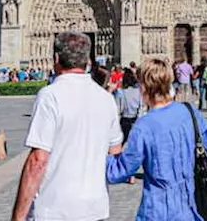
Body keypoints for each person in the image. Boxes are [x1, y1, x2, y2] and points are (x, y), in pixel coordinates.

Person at [11, 32, 123, 221]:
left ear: (56, 58)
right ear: (87, 60)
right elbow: (115, 152)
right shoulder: (106, 98)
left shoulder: (50, 95)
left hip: (55, 209)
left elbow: (38, 161)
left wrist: (18, 217)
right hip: (95, 209)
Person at [106, 57, 207, 220]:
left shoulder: (144, 126)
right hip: (192, 210)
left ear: (144, 86)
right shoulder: (191, 112)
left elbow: (119, 171)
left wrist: (94, 158)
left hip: (159, 211)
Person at [116, 72, 142, 145]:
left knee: (123, 142)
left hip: (125, 118)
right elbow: (142, 106)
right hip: (136, 118)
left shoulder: (121, 92)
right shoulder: (139, 91)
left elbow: (119, 108)